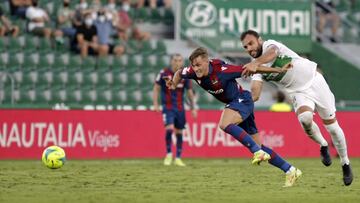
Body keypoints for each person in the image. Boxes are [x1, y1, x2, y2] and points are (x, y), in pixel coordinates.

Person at [166, 47, 301, 187]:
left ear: (207, 62)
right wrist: (173, 84)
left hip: (242, 100)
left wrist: (279, 70)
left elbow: (253, 68)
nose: (196, 68)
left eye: (199, 65)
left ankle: (256, 152)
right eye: (193, 65)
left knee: (224, 124)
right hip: (236, 104)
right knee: (260, 146)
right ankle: (290, 170)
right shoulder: (192, 72)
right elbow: (178, 73)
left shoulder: (223, 71)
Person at [240, 30, 353, 186]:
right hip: (297, 92)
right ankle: (323, 144)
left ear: (260, 40)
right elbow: (255, 94)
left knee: (333, 127)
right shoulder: (255, 67)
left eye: (251, 43)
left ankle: (345, 163)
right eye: (245, 47)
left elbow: (273, 53)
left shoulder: (270, 45)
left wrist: (256, 63)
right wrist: (238, 98)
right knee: (305, 119)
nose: (249, 48)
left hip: (314, 81)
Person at [153, 54, 197, 166]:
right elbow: (156, 88)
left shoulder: (185, 75)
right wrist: (156, 104)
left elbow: (190, 93)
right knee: (169, 128)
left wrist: (193, 108)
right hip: (168, 107)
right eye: (175, 60)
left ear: (182, 62)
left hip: (180, 108)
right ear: (171, 61)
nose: (177, 62)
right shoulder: (164, 73)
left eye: (180, 60)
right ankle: (168, 154)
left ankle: (178, 157)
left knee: (179, 132)